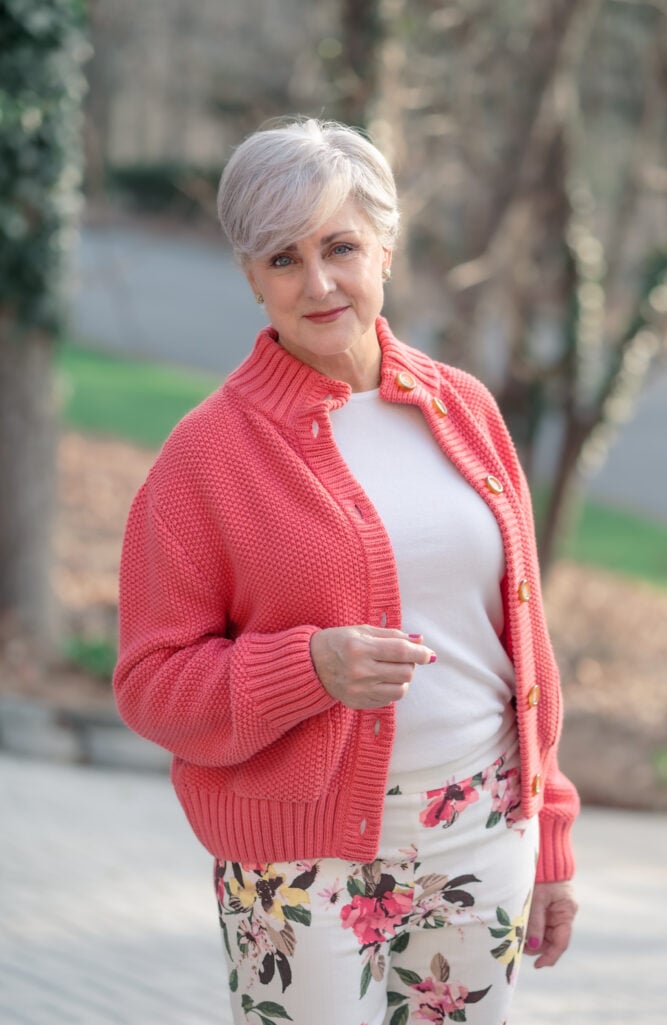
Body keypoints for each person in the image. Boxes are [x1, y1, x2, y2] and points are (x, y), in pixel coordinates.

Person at [113, 117, 579, 1025]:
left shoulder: (463, 410)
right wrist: (309, 667)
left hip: (481, 830)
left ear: (385, 248)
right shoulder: (205, 456)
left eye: (340, 247)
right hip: (298, 860)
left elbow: (523, 644)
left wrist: (550, 833)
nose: (319, 283)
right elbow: (148, 683)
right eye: (283, 258)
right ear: (251, 276)